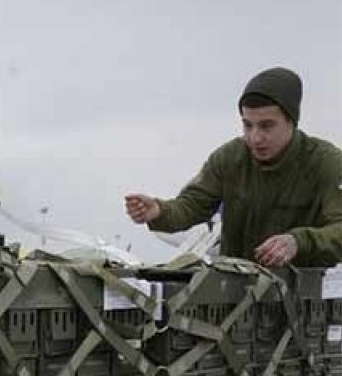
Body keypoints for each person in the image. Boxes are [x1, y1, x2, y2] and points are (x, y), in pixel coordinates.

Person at [125, 67, 342, 268]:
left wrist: (298, 241)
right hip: (238, 295)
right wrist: (159, 211)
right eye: (247, 125)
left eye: (267, 126)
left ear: (292, 122)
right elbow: (191, 205)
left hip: (307, 298)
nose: (255, 137)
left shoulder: (326, 163)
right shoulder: (230, 159)